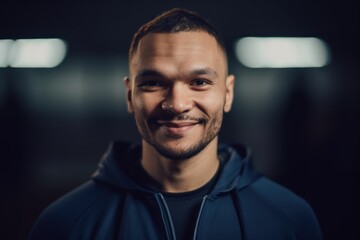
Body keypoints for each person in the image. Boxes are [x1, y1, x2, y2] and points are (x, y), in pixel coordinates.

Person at [28, 8, 323, 240]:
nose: (177, 104)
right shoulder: (64, 225)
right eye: (154, 83)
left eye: (199, 82)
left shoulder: (289, 219)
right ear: (130, 95)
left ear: (228, 93)